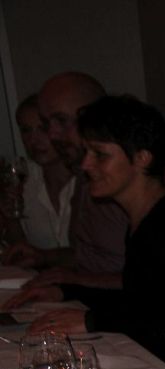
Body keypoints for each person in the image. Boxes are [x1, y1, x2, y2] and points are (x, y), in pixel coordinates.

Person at [4, 95, 165, 369]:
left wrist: (92, 320)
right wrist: (66, 291)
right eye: (87, 152)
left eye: (100, 155)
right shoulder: (147, 219)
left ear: (142, 158)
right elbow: (142, 301)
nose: (86, 165)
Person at [2, 72, 125, 290]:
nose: (51, 134)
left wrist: (75, 282)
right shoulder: (84, 178)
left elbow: (152, 279)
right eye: (46, 124)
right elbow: (86, 257)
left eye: (60, 121)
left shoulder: (125, 178)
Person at [0, 95, 75, 249]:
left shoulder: (87, 177)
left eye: (43, 129)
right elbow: (20, 249)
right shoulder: (24, 179)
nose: (33, 140)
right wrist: (11, 218)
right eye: (26, 130)